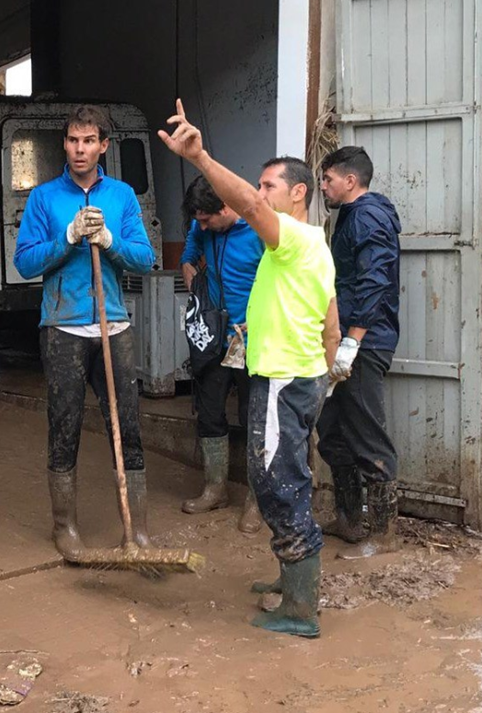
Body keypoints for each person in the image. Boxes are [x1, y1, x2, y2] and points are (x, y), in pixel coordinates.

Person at [160, 99, 339, 639]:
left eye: (268, 186)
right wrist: (325, 377)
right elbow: (331, 322)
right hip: (296, 376)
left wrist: (201, 157)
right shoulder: (312, 248)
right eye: (259, 186)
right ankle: (291, 582)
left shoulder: (292, 239)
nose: (260, 196)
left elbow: (249, 209)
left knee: (276, 484)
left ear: (298, 193)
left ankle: (301, 610)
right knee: (284, 478)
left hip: (282, 379)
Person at [13, 105, 157, 558]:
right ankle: (65, 527)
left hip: (112, 325)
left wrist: (110, 241)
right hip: (63, 326)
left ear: (103, 146)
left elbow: (145, 258)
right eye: (73, 140)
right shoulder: (44, 198)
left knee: (127, 426)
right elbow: (25, 262)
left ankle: (136, 529)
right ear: (65, 144)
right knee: (65, 424)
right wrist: (69, 237)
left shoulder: (122, 196)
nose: (80, 149)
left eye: (89, 140)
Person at [316, 146, 402, 550]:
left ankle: (384, 534)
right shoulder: (351, 217)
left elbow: (375, 279)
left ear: (350, 181)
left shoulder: (367, 215)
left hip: (363, 344)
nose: (323, 186)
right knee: (331, 430)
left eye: (328, 179)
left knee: (367, 432)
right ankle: (349, 519)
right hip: (343, 340)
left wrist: (354, 339)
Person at [178, 176, 264, 526]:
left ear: (227, 207)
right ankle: (215, 489)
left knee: (254, 418)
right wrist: (194, 285)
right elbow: (188, 256)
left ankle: (257, 502)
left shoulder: (261, 230)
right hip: (213, 340)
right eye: (197, 219)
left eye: (206, 219)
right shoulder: (202, 229)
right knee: (210, 412)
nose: (201, 226)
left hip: (253, 338)